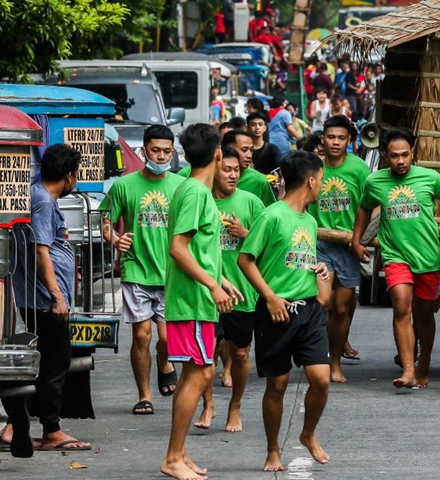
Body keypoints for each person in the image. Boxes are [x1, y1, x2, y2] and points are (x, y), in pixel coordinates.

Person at [238, 150, 332, 472]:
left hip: (308, 310)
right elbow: (245, 260)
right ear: (310, 180)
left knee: (321, 378)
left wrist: (316, 268)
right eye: (321, 179)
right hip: (275, 312)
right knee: (276, 385)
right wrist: (270, 297)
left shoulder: (310, 219)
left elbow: (295, 259)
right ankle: (273, 449)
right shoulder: (272, 215)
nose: (322, 185)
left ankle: (308, 433)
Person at [160, 124, 242, 480]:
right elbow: (178, 249)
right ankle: (173, 457)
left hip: (199, 297)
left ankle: (179, 453)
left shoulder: (194, 190)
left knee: (199, 373)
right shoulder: (194, 192)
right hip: (192, 299)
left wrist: (222, 279)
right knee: (199, 373)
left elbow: (198, 249)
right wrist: (213, 285)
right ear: (218, 154)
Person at [351, 128, 440, 388]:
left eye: (405, 155)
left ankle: (425, 364)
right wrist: (356, 240)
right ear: (385, 156)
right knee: (400, 305)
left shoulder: (430, 178)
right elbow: (364, 208)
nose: (400, 161)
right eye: (394, 156)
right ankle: (408, 370)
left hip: (429, 257)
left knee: (424, 315)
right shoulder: (375, 182)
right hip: (396, 255)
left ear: (412, 153)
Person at [4, 144, 91, 452]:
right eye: (76, 174)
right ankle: (51, 431)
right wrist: (57, 296)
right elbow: (41, 251)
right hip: (43, 300)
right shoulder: (42, 201)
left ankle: (15, 427)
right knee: (55, 363)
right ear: (69, 175)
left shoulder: (41, 197)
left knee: (41, 363)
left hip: (39, 296)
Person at [99, 125, 183, 415]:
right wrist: (115, 239)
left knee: (168, 338)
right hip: (136, 268)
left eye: (166, 152)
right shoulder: (124, 185)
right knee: (142, 336)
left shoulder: (180, 186)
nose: (160, 156)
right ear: (143, 150)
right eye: (155, 150)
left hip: (171, 272)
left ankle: (164, 362)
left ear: (173, 153)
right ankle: (144, 395)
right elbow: (105, 221)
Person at [307, 116, 370, 383]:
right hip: (318, 243)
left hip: (347, 246)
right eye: (330, 137)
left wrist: (361, 238)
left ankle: (334, 361)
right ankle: (316, 354)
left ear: (350, 141)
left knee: (342, 308)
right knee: (324, 302)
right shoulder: (313, 167)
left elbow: (370, 204)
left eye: (341, 138)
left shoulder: (358, 168)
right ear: (323, 138)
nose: (335, 142)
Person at [207, 146, 265, 432]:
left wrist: (246, 235)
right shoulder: (202, 200)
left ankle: (235, 405)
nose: (232, 175)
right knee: (206, 354)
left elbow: (270, 246)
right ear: (214, 168)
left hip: (242, 293)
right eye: (226, 170)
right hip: (206, 292)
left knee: (240, 354)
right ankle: (208, 404)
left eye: (236, 170)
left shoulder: (252, 203)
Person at [248, 111, 282, 175]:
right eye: (253, 124)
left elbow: (279, 169)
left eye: (260, 124)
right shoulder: (245, 150)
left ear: (265, 128)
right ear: (247, 128)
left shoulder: (272, 149)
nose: (257, 127)